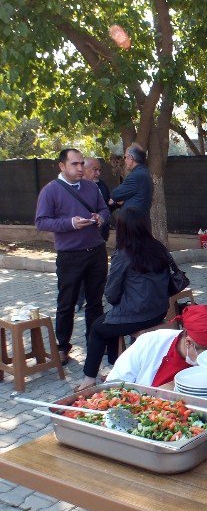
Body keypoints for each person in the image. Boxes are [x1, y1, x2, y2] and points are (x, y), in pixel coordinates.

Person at [105, 302, 207, 511]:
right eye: (206, 352)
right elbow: (113, 387)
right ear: (189, 341)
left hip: (196, 428)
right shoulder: (151, 343)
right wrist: (162, 394)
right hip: (144, 423)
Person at [76, 208, 171, 390]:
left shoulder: (125, 254)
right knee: (111, 322)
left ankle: (89, 379)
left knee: (97, 328)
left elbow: (111, 293)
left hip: (137, 315)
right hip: (159, 311)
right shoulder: (158, 248)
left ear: (122, 230)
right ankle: (116, 369)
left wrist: (122, 301)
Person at [35, 148, 111, 366]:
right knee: (66, 303)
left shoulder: (91, 187)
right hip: (70, 255)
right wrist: (70, 223)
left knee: (95, 302)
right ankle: (62, 346)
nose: (80, 168)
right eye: (74, 164)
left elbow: (105, 210)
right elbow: (41, 222)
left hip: (96, 252)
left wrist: (100, 218)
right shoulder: (51, 191)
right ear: (62, 166)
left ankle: (94, 342)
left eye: (81, 164)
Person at [76, 157, 117, 312]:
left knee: (97, 271)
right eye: (94, 169)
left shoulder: (101, 186)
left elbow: (106, 209)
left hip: (100, 236)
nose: (98, 173)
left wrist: (113, 206)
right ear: (83, 169)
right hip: (81, 239)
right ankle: (78, 300)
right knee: (81, 270)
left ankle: (95, 299)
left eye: (99, 169)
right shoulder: (75, 188)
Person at [109, 142, 152, 219]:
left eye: (125, 157)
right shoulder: (144, 172)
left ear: (131, 158)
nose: (124, 160)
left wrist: (119, 198)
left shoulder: (136, 176)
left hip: (133, 223)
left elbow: (115, 194)